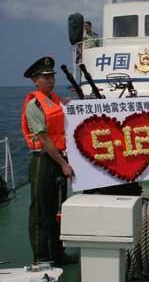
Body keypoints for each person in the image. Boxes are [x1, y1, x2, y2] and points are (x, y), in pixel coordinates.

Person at [21, 57, 77, 265]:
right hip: (43, 162)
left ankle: (57, 252)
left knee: (57, 210)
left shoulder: (54, 100)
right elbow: (44, 139)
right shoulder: (35, 104)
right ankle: (41, 257)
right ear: (36, 81)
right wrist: (64, 164)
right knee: (40, 212)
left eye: (52, 76)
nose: (51, 80)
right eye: (46, 77)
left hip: (57, 159)